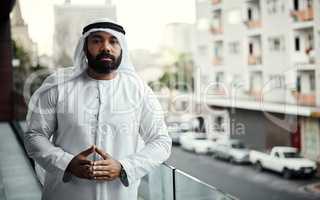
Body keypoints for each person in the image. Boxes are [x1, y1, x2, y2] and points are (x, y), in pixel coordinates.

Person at [24, 18, 172, 200]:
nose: (106, 47)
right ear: (84, 47)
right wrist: (67, 163)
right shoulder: (59, 86)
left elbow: (161, 141)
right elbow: (34, 135)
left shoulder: (139, 91)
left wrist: (124, 167)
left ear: (121, 48)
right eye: (96, 40)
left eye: (113, 41)